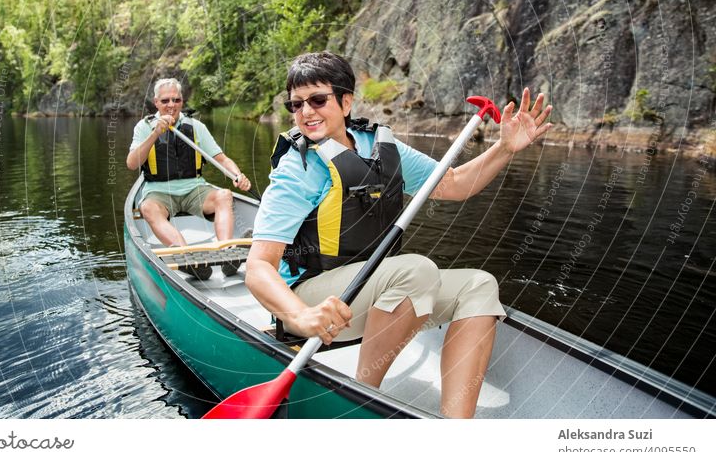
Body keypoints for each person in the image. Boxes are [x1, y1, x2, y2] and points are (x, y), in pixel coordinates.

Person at [245, 52, 552, 418]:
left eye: (317, 100)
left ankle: (456, 426)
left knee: (479, 285)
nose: (306, 112)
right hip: (315, 301)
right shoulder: (299, 167)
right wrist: (299, 316)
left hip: (375, 294)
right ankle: (361, 401)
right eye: (296, 104)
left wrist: (503, 149)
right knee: (416, 270)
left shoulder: (378, 146)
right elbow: (258, 267)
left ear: (346, 101)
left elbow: (453, 184)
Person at [126, 78, 252, 249]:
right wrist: (155, 134)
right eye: (165, 101)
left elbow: (221, 159)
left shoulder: (196, 126)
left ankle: (226, 250)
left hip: (194, 190)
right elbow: (132, 164)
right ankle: (186, 255)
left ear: (182, 101)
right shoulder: (144, 127)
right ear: (156, 102)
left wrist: (238, 175)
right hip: (158, 193)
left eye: (176, 100)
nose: (171, 105)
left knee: (224, 195)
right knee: (147, 208)